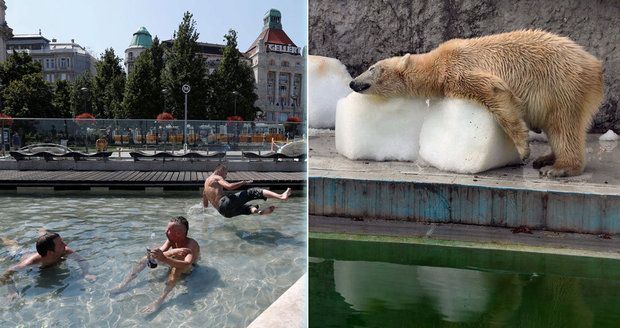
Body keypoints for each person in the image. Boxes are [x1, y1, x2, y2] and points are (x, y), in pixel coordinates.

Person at [110, 216, 200, 314]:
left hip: (189, 268)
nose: (168, 232)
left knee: (175, 270)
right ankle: (123, 285)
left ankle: (159, 301)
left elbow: (186, 264)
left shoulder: (191, 244)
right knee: (145, 259)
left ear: (181, 233)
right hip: (174, 260)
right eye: (168, 229)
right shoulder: (171, 240)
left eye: (172, 231)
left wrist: (165, 257)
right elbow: (159, 253)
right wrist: (156, 254)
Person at [0, 232, 96, 302]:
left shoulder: (65, 251)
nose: (65, 245)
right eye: (61, 244)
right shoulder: (31, 263)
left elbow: (81, 260)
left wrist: (86, 273)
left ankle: (42, 231)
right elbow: (8, 272)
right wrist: (12, 291)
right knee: (14, 247)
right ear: (51, 252)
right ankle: (2, 237)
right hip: (22, 255)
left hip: (42, 250)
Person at [202, 164, 292, 218]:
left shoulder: (206, 184)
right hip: (225, 203)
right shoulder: (216, 177)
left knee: (247, 208)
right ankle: (281, 196)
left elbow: (205, 204)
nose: (225, 176)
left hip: (224, 213)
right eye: (225, 174)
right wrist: (243, 182)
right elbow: (229, 186)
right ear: (220, 170)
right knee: (252, 192)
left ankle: (259, 211)